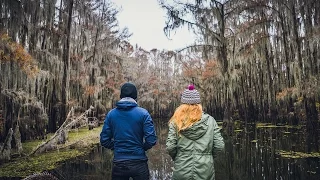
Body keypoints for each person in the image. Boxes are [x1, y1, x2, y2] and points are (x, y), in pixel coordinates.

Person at [166, 84, 225, 180]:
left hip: (182, 170)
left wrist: (179, 158)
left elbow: (170, 147)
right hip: (205, 170)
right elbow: (219, 145)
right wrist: (208, 157)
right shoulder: (211, 120)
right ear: (198, 104)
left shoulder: (176, 121)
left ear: (182, 105)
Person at [100, 82, 157, 180]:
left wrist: (117, 146)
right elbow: (151, 140)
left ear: (121, 96)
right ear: (135, 97)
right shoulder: (143, 113)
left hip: (119, 163)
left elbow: (104, 140)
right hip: (139, 163)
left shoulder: (111, 114)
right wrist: (142, 147)